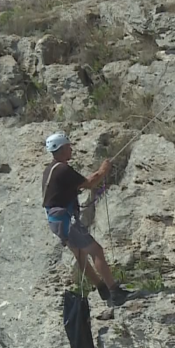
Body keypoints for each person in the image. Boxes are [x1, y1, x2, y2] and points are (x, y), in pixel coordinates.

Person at [42, 132, 139, 308]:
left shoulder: (50, 169)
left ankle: (101, 287)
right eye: (68, 147)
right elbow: (89, 183)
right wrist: (103, 170)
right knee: (96, 250)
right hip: (66, 219)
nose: (71, 149)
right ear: (62, 148)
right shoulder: (63, 169)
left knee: (80, 254)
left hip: (56, 221)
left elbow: (61, 191)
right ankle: (114, 292)